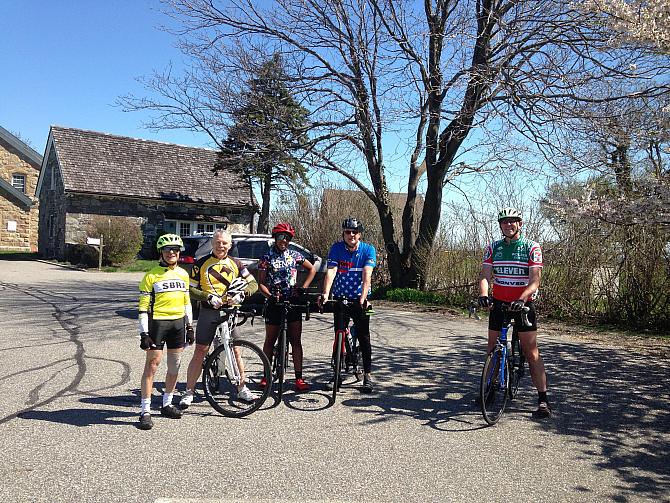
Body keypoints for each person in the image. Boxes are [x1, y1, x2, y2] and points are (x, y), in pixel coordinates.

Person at [478, 207, 551, 419]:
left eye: (512, 221)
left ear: (520, 224)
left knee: (530, 351)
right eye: (504, 222)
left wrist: (521, 298)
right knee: (492, 347)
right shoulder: (493, 248)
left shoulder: (531, 247)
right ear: (500, 225)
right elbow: (485, 276)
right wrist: (484, 294)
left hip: (523, 304)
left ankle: (543, 399)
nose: (508, 225)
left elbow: (535, 280)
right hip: (500, 303)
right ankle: (489, 388)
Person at [179, 229, 259, 409]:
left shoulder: (236, 263)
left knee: (236, 350)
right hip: (209, 311)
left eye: (224, 243)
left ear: (230, 245)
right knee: (200, 350)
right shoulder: (201, 264)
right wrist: (207, 296)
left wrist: (243, 295)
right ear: (212, 244)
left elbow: (253, 283)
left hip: (230, 312)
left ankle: (241, 387)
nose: (221, 246)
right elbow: (190, 289)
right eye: (218, 242)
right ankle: (189, 391)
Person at [137, 234, 194, 430]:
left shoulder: (183, 274)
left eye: (175, 249)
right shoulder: (151, 276)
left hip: (178, 324)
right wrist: (144, 333)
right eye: (168, 249)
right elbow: (143, 307)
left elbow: (187, 302)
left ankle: (167, 403)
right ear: (161, 252)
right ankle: (145, 411)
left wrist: (189, 326)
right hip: (158, 324)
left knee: (174, 367)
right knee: (152, 366)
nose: (172, 252)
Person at [318, 217, 376, 393]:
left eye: (354, 232)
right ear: (343, 233)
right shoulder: (336, 248)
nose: (351, 235)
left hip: (360, 299)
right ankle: (336, 374)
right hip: (341, 298)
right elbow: (331, 272)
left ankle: (367, 374)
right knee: (339, 335)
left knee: (364, 336)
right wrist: (325, 294)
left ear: (359, 234)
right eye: (348, 232)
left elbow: (367, 276)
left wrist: (363, 297)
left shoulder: (368, 250)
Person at [257, 223, 317, 392]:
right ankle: (265, 375)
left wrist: (303, 287)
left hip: (292, 301)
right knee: (270, 340)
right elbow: (261, 283)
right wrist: (269, 296)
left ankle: (299, 377)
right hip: (274, 302)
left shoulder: (294, 255)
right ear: (275, 238)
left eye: (287, 238)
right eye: (281, 237)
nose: (284, 240)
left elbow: (312, 269)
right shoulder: (267, 257)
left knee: (296, 340)